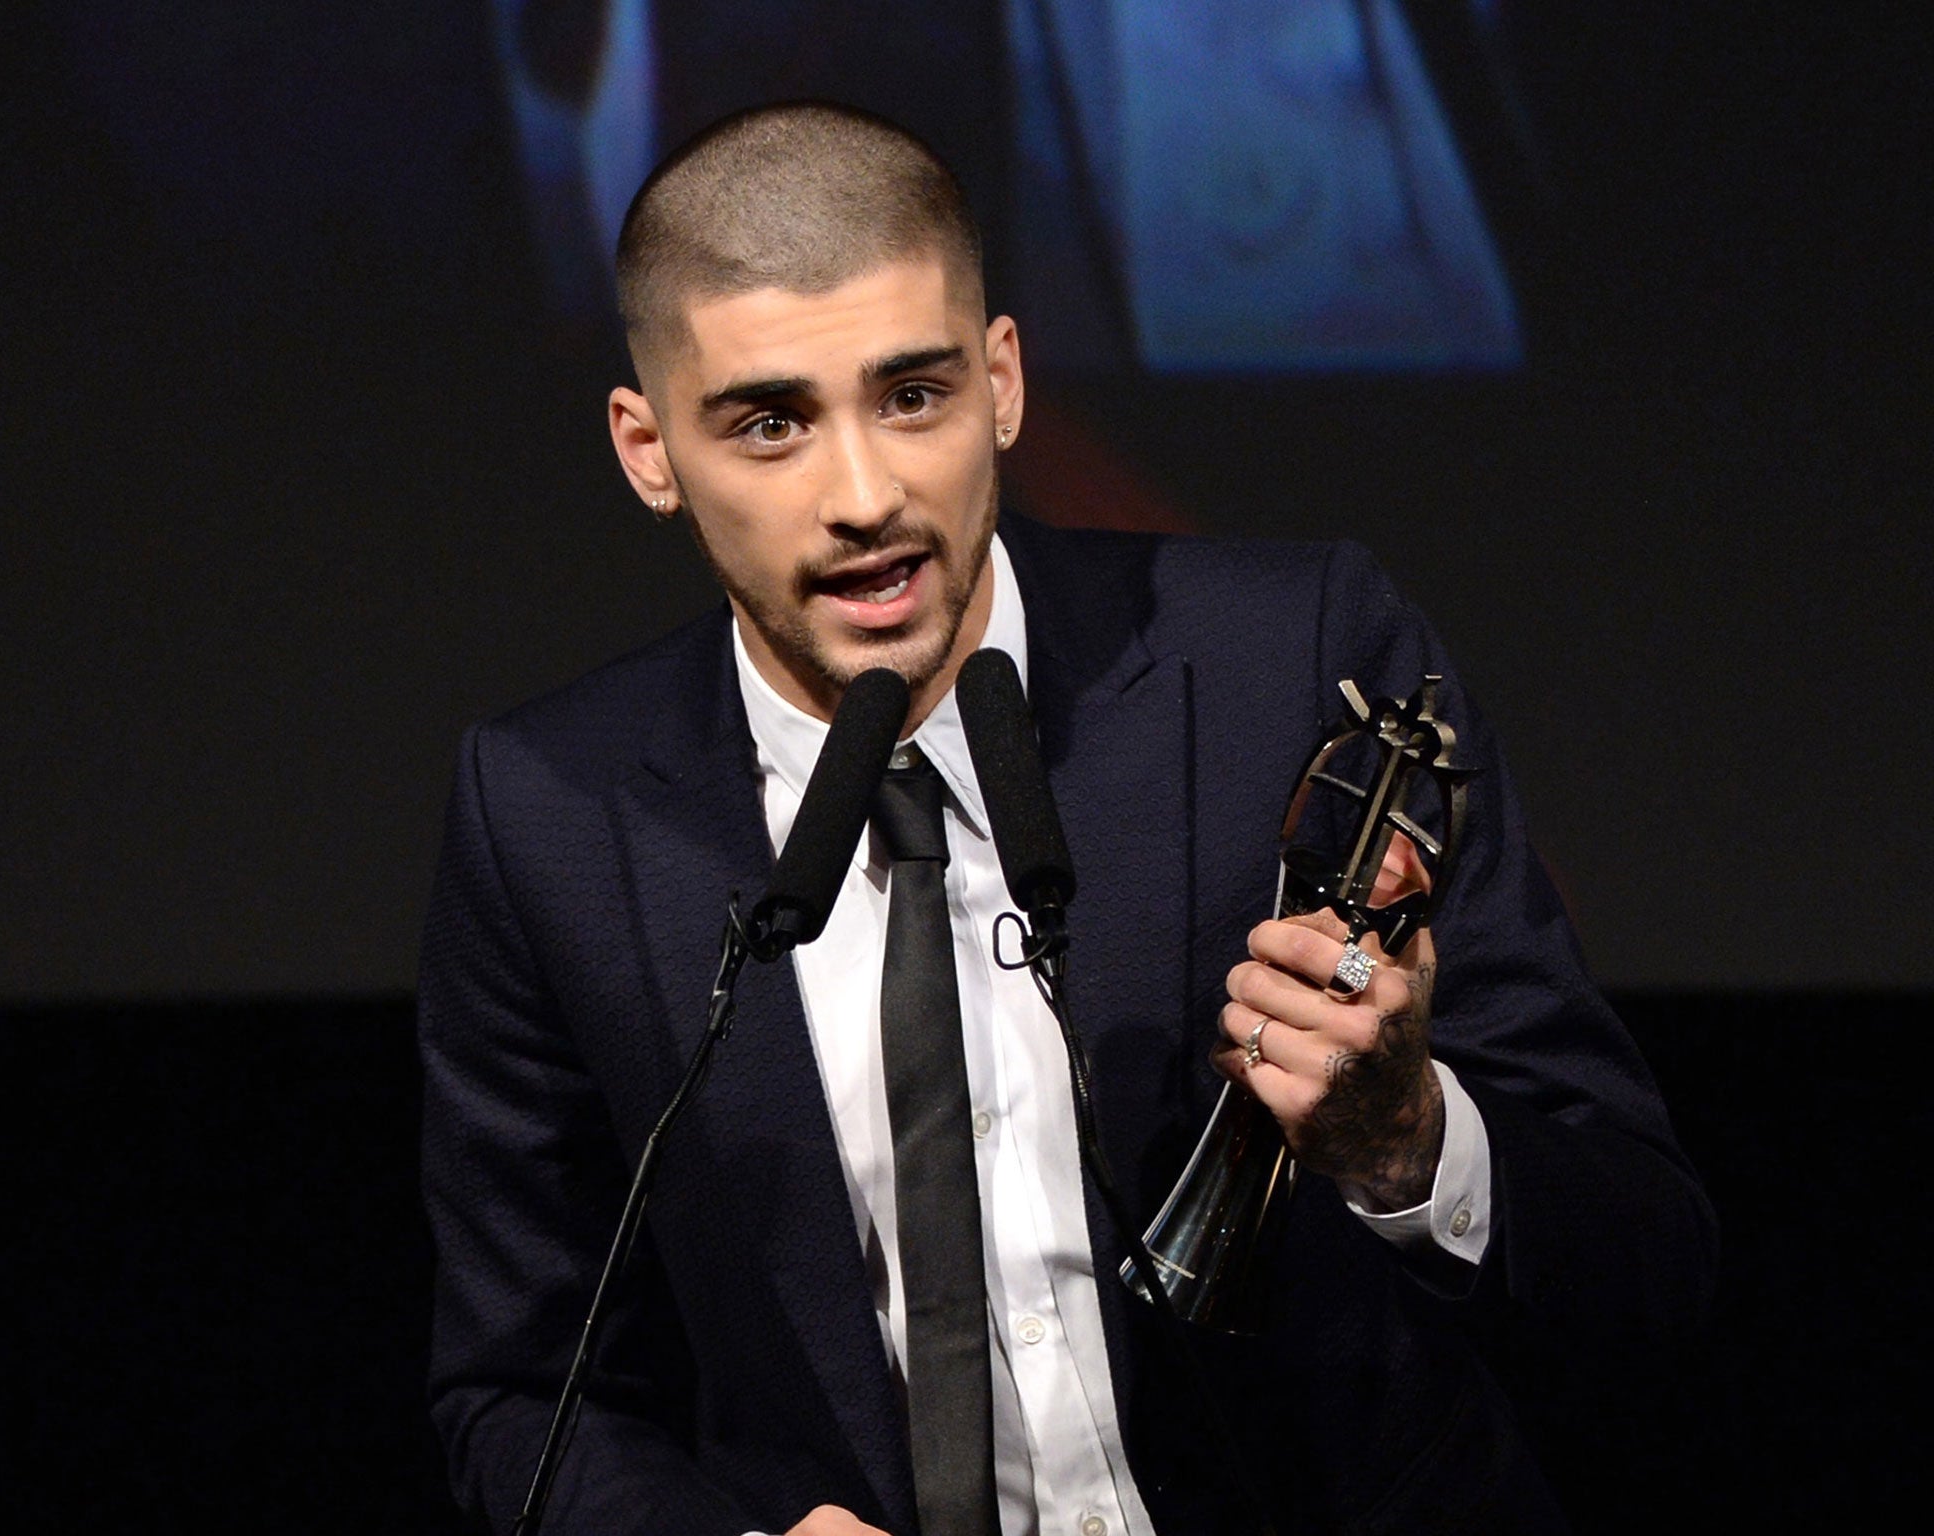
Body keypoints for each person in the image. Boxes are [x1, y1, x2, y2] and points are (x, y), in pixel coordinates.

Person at [418, 103, 1714, 1536]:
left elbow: (1649, 1259)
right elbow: (523, 1395)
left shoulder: (1297, 665)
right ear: (648, 449)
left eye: (914, 396)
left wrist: (1410, 1138)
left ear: (1004, 382)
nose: (866, 496)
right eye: (771, 423)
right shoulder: (548, 811)